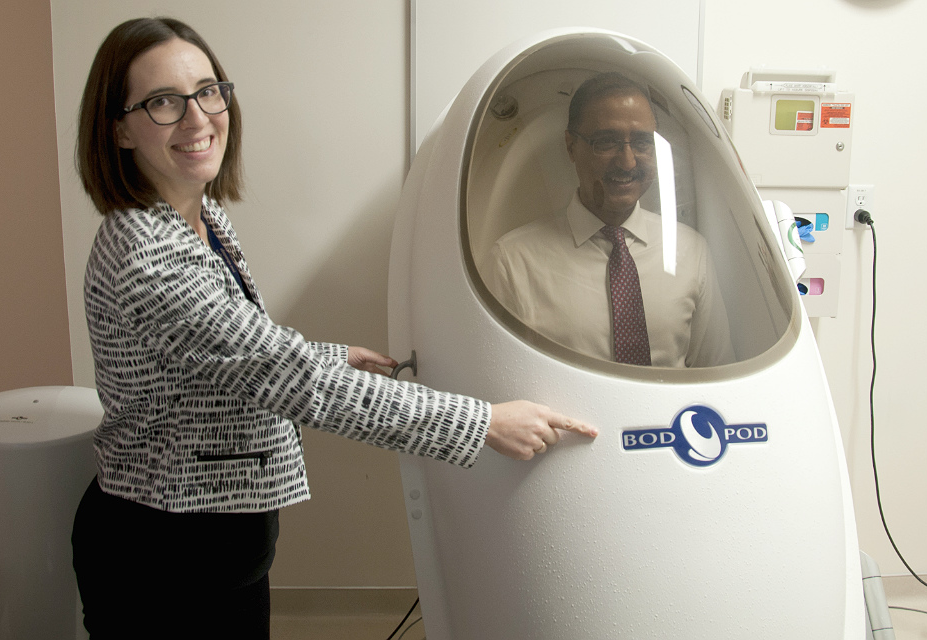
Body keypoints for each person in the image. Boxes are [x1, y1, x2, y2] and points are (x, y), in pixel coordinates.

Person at [69, 17, 597, 639]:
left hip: (220, 533)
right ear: (120, 129)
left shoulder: (197, 215)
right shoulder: (146, 255)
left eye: (209, 91)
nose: (197, 118)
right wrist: (483, 424)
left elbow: (231, 348)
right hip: (164, 551)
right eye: (163, 102)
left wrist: (329, 353)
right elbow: (288, 379)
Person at [485, 72, 734, 367]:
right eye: (605, 142)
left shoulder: (692, 253)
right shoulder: (513, 264)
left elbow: (715, 374)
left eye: (642, 143)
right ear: (570, 146)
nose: (627, 161)